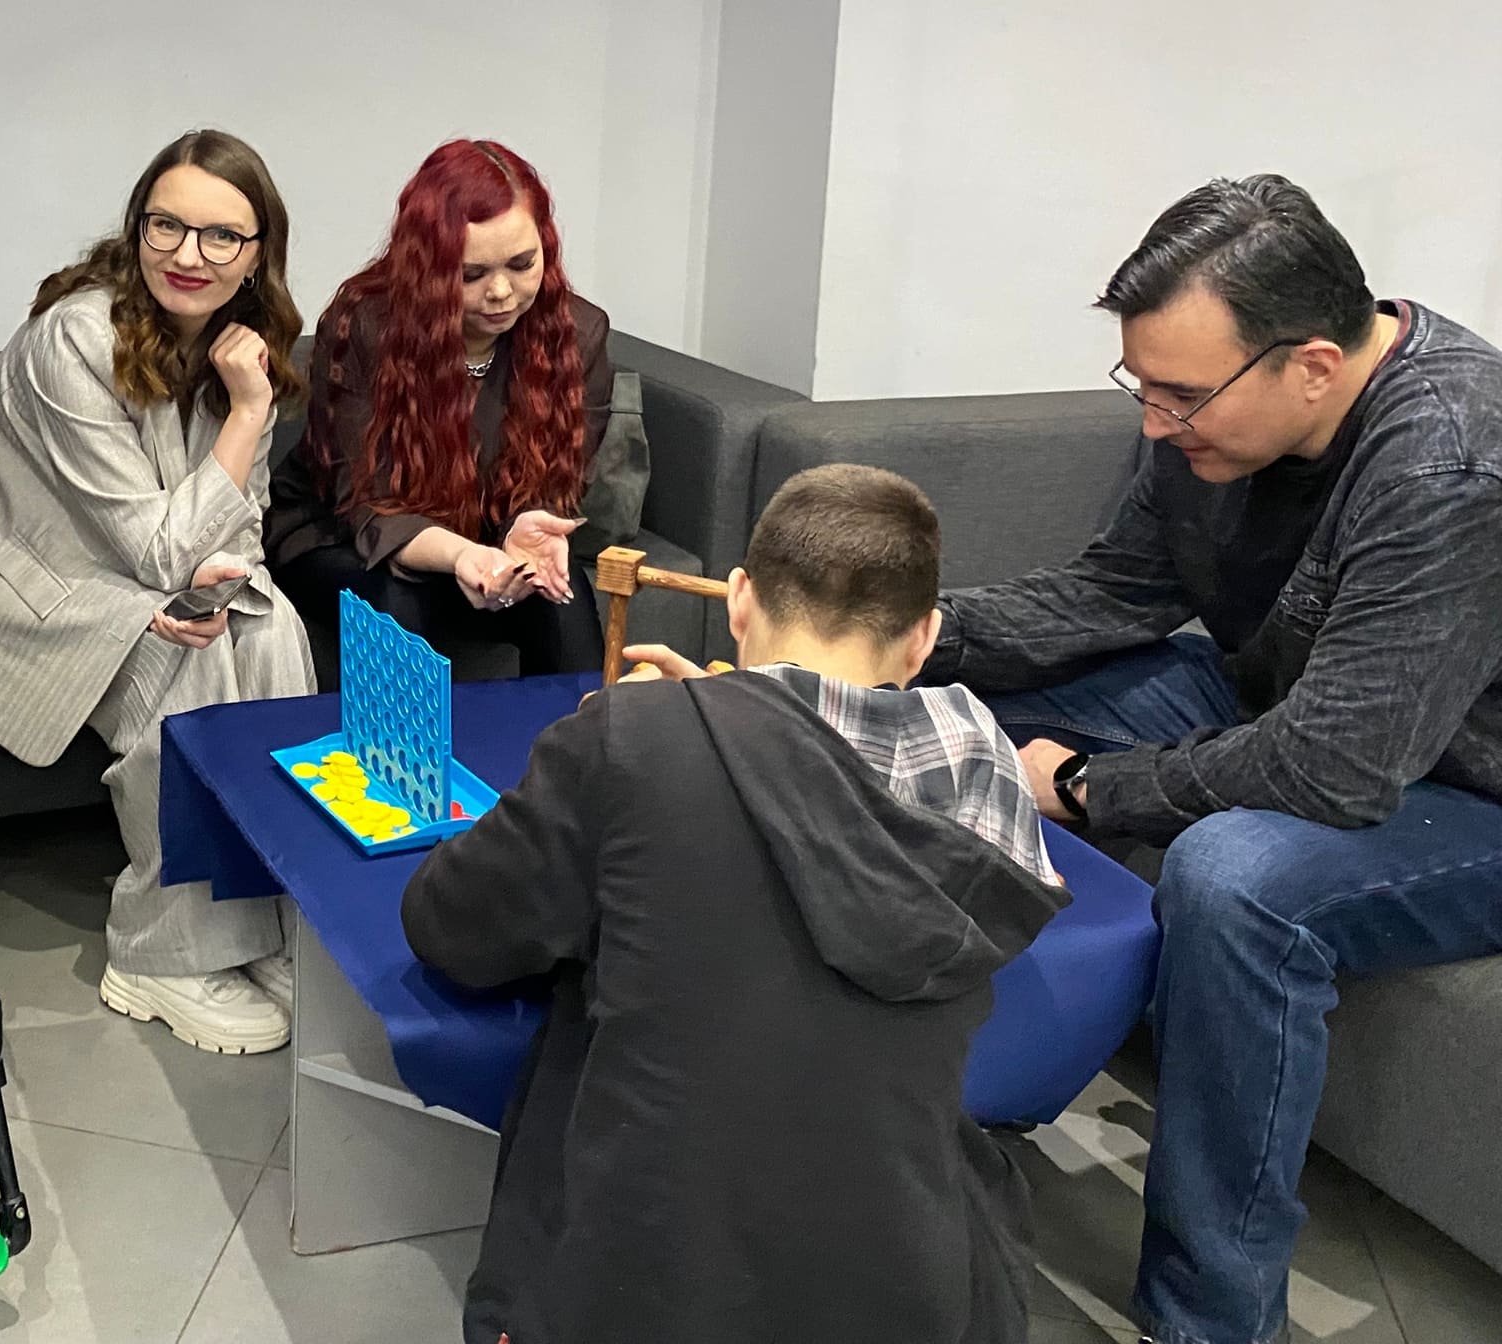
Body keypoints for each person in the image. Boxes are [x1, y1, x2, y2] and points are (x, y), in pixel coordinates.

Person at [916, 174, 1502, 1344]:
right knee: (947, 697)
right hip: (1287, 704)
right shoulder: (1213, 421)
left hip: (1461, 787)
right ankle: (927, 1065)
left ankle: (1211, 1320)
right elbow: (1113, 592)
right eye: (1141, 387)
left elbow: (1337, 768)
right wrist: (904, 631)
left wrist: (1085, 786)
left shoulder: (1448, 463)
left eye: (1181, 398)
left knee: (1234, 880)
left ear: (1313, 366)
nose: (1153, 425)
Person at [404, 464, 1068, 1344]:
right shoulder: (987, 761)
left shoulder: (634, 739)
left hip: (639, 1281)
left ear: (741, 601)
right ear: (923, 638)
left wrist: (667, 726)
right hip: (906, 1276)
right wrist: (725, 718)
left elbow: (452, 927)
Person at [0, 131, 316, 1055]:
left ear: (257, 256)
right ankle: (162, 956)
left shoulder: (244, 346)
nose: (189, 254)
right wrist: (249, 414)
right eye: (167, 225)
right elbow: (155, 548)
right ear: (137, 226)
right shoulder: (76, 339)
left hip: (139, 564)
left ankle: (262, 922)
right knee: (182, 662)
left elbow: (240, 526)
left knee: (271, 627)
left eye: (221, 236)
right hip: (21, 593)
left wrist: (225, 584)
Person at [268, 139, 610, 682]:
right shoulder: (365, 325)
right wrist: (460, 557)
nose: (502, 292)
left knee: (562, 600)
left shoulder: (576, 335)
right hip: (343, 536)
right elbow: (367, 504)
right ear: (428, 267)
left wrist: (525, 531)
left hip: (491, 546)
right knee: (399, 602)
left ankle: (583, 739)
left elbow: (558, 486)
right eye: (471, 275)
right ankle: (391, 743)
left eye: (523, 264)